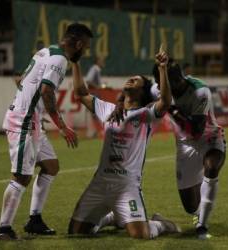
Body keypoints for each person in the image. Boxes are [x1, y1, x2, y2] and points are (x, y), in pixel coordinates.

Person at [68, 47, 180, 239]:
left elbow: (166, 102)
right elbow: (80, 92)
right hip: (100, 183)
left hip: (127, 186)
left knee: (140, 235)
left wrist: (162, 69)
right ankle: (111, 218)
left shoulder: (146, 115)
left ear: (143, 91)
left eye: (136, 79)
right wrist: (75, 62)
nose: (131, 79)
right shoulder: (108, 110)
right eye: (131, 77)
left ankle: (160, 224)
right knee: (76, 232)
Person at [0, 23, 93, 240]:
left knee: (51, 166)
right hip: (24, 123)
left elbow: (22, 80)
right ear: (77, 44)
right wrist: (63, 126)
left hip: (33, 121)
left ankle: (35, 220)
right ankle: (3, 228)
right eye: (84, 47)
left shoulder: (46, 51)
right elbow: (47, 92)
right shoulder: (59, 59)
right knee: (21, 177)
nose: (84, 52)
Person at [151, 62, 226, 240]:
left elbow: (197, 130)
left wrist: (172, 108)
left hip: (209, 139)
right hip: (185, 147)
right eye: (159, 85)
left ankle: (202, 225)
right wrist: (122, 103)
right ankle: (197, 211)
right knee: (190, 207)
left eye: (165, 86)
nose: (161, 90)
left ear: (178, 80)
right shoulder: (159, 88)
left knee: (212, 167)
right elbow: (142, 89)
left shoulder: (200, 92)